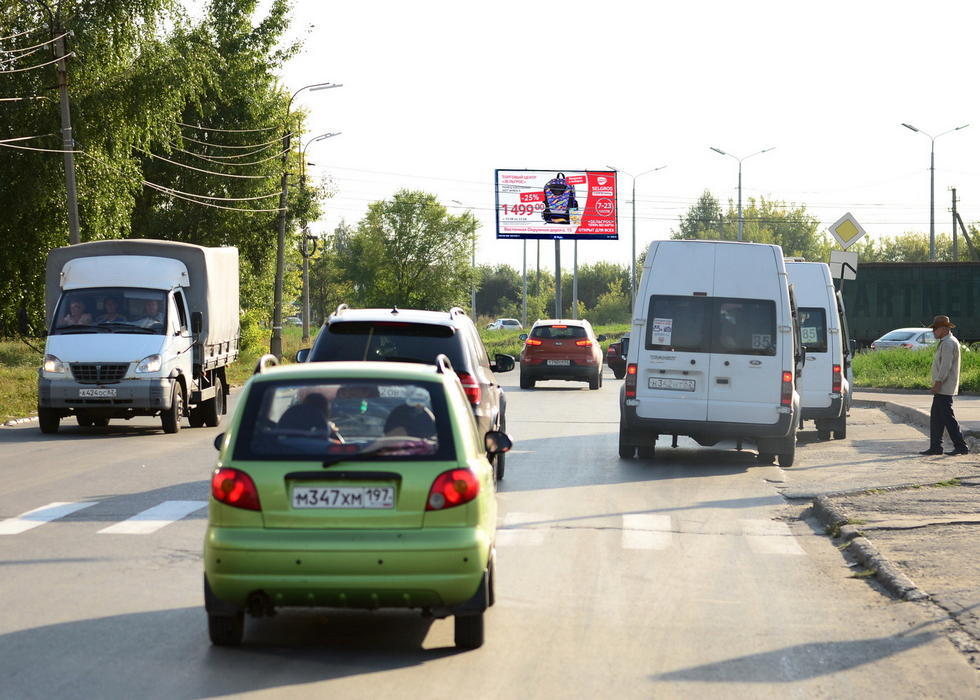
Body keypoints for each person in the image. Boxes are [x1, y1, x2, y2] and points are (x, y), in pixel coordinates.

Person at [920, 315, 969, 456]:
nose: (933, 331)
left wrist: (938, 383)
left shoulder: (948, 343)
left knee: (948, 418)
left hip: (944, 387)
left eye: (935, 329)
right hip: (942, 387)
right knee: (936, 418)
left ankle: (961, 446)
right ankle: (936, 447)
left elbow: (945, 367)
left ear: (943, 329)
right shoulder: (945, 342)